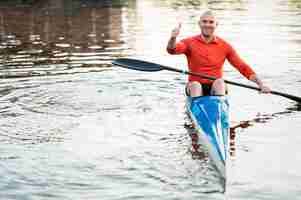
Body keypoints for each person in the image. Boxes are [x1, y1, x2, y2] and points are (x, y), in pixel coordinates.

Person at [166, 10, 271, 97]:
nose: (207, 24)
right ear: (199, 24)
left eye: (211, 22)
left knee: (220, 82)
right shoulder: (189, 42)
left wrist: (261, 84)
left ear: (216, 24)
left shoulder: (225, 46)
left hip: (216, 87)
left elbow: (243, 67)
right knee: (195, 85)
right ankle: (198, 114)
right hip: (195, 87)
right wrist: (173, 38)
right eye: (204, 21)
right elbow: (172, 50)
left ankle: (219, 111)